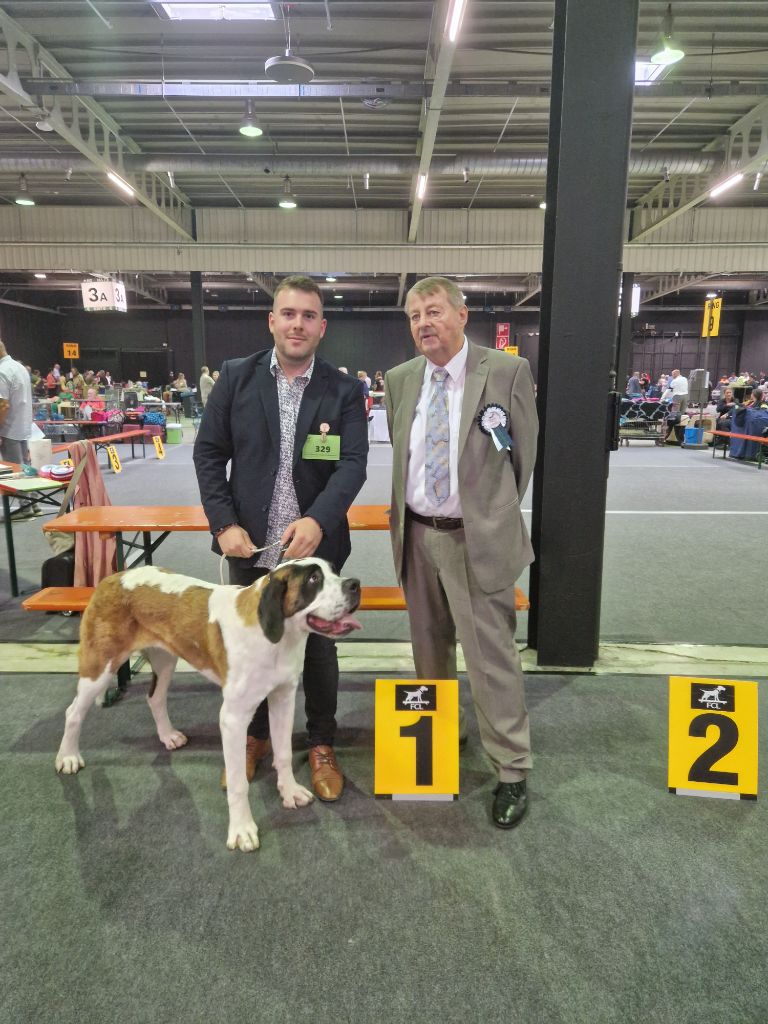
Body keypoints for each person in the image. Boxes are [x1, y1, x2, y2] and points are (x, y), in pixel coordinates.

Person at [194, 275, 368, 801]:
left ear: (322, 326)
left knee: (316, 652)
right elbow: (208, 455)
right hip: (251, 549)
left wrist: (317, 520)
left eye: (308, 315)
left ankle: (320, 743)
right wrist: (224, 525)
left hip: (316, 554)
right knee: (251, 655)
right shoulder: (235, 378)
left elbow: (353, 465)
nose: (297, 323)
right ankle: (252, 739)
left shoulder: (343, 389)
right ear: (272, 321)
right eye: (288, 313)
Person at [384, 276, 538, 830]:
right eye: (414, 316)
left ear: (461, 314)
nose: (424, 323)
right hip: (417, 536)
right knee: (429, 655)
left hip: (476, 540)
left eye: (434, 311)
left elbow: (522, 458)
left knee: (492, 660)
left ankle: (512, 771)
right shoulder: (400, 380)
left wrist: (489, 516)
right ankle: (440, 742)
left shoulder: (506, 372)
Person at [0, 340, 33, 465]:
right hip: (22, 428)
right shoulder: (20, 368)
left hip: (8, 432)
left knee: (15, 475)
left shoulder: (2, 371)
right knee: (25, 469)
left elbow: (3, 406)